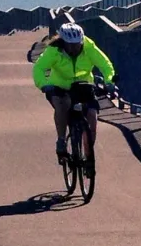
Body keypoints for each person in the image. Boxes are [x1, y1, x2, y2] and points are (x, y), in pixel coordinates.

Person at [32, 19, 116, 170]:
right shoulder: (54, 51)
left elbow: (105, 64)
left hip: (84, 85)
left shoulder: (89, 47)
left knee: (92, 115)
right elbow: (38, 68)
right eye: (70, 45)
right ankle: (61, 141)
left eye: (77, 44)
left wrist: (108, 81)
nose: (74, 47)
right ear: (63, 42)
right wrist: (44, 85)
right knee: (62, 105)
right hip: (60, 86)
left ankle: (88, 154)